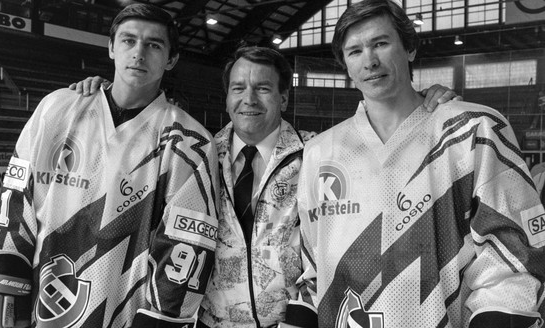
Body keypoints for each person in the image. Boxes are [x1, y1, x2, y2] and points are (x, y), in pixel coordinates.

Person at [70, 50, 459, 328]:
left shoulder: (319, 154)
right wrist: (107, 94)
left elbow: (333, 243)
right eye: (238, 88)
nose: (248, 99)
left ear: (284, 97)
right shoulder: (193, 153)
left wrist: (424, 103)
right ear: (226, 98)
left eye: (263, 88)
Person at [287, 0, 545, 327]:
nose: (370, 61)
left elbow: (514, 262)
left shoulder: (473, 130)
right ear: (346, 65)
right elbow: (314, 271)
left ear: (409, 48)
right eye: (354, 51)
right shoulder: (319, 152)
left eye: (380, 43)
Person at [0, 4, 219, 328]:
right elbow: (17, 191)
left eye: (154, 45)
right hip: (42, 303)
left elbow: (186, 243)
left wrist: (163, 318)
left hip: (126, 314)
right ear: (111, 47)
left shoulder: (189, 142)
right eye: (128, 41)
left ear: (171, 59)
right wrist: (5, 268)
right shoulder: (56, 110)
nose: (139, 53)